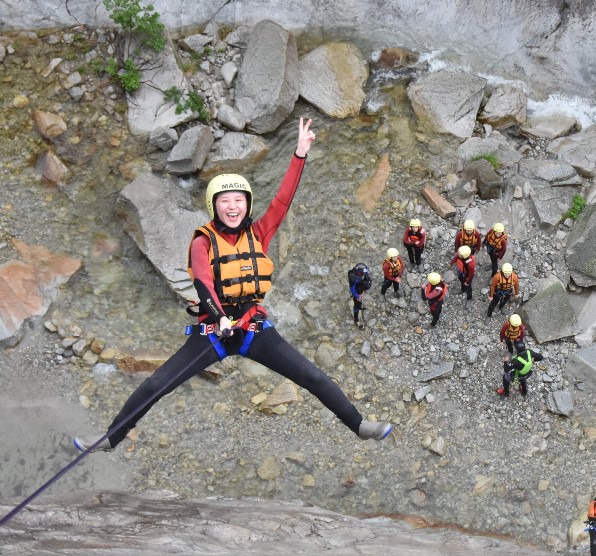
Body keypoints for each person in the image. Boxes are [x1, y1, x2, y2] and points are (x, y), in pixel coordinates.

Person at [73, 118, 392, 451]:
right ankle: (111, 438)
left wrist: (299, 154)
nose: (233, 206)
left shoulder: (259, 233)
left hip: (254, 329)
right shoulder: (203, 242)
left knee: (311, 376)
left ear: (247, 204)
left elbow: (282, 201)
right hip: (215, 332)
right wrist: (220, 317)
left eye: (239, 200)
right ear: (214, 207)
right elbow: (203, 283)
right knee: (157, 382)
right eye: (225, 201)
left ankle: (358, 425)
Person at [348, 262, 372, 329]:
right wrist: (357, 296)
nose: (364, 273)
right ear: (359, 272)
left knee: (360, 302)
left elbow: (366, 275)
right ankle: (356, 320)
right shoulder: (353, 278)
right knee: (357, 305)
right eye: (363, 273)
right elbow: (352, 289)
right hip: (356, 292)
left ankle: (360, 305)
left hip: (360, 288)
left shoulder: (360, 272)